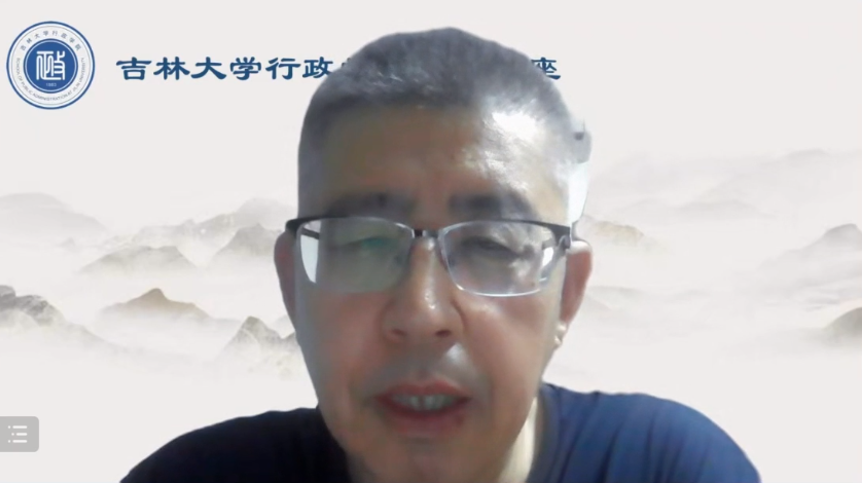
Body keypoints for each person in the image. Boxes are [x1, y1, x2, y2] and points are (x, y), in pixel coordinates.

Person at [121, 27, 760, 483]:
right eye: (364, 244)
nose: (422, 314)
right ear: (294, 288)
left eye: (491, 245)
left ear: (566, 294)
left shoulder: (667, 467)